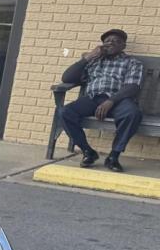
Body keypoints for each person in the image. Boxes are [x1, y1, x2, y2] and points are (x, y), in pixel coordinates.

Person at [59, 28, 145, 171]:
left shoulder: (132, 62)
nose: (110, 43)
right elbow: (67, 78)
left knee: (133, 113)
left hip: (118, 100)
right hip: (92, 99)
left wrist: (110, 101)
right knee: (64, 112)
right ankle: (88, 152)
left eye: (116, 41)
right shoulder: (93, 61)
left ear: (123, 46)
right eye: (107, 41)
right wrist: (88, 57)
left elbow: (133, 87)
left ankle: (113, 156)